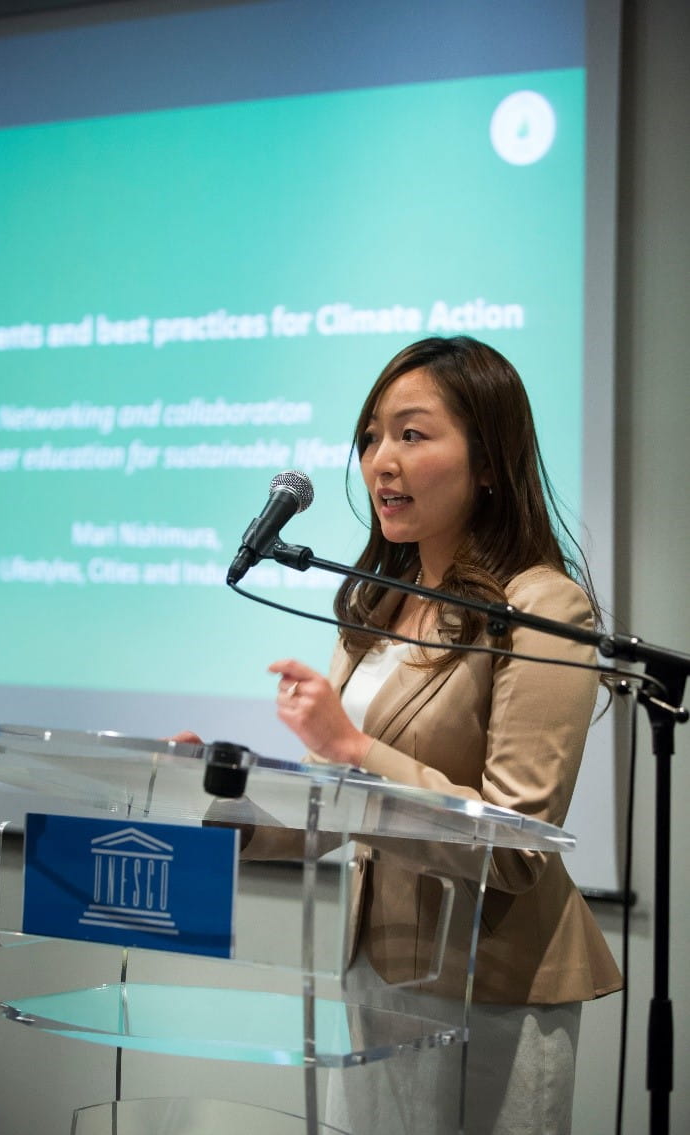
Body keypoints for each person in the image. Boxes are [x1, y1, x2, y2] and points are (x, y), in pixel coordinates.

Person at [179, 336, 621, 1134]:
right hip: (376, 971)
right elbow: (333, 803)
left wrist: (355, 748)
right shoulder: (372, 604)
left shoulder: (543, 608)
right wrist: (218, 794)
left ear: (488, 460)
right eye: (371, 437)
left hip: (490, 984)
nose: (381, 460)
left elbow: (518, 845)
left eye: (412, 435)